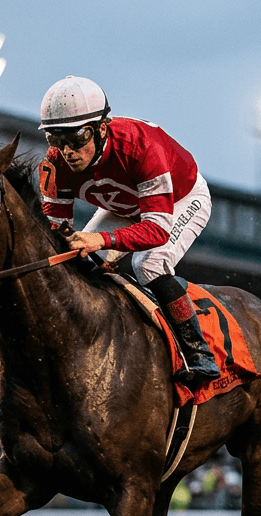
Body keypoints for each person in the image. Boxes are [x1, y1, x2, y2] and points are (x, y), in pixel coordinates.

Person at [36, 75, 220, 386]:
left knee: (147, 263)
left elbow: (157, 230)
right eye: (56, 139)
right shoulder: (55, 165)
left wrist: (101, 239)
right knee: (78, 265)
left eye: (78, 137)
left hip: (181, 198)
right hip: (125, 207)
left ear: (101, 128)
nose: (68, 151)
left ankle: (197, 352)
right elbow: (56, 232)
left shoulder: (140, 146)